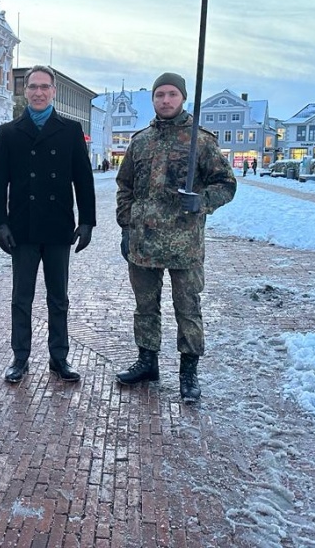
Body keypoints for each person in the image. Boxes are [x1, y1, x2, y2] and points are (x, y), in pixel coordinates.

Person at [115, 72, 236, 402]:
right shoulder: (140, 141)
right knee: (145, 307)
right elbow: (124, 186)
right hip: (144, 244)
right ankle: (147, 361)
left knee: (187, 308)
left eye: (171, 94)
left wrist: (203, 201)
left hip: (184, 244)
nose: (165, 100)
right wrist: (126, 227)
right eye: (159, 95)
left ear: (182, 98)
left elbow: (226, 184)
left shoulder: (201, 140)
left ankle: (188, 372)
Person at [0, 65, 96, 384]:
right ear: (24, 91)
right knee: (21, 297)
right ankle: (20, 357)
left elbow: (84, 179)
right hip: (22, 229)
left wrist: (87, 221)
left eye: (44, 87)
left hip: (58, 227)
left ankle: (58, 356)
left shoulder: (70, 129)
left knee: (58, 297)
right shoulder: (9, 132)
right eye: (32, 87)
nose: (38, 92)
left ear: (53, 92)